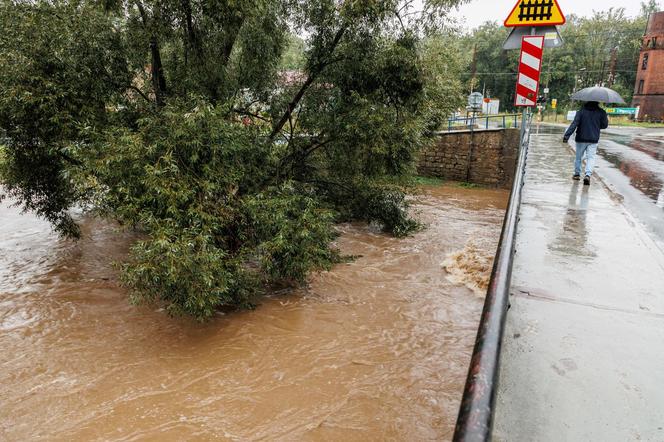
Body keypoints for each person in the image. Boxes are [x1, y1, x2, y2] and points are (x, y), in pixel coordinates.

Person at [563, 101, 609, 186]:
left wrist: (566, 136)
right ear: (597, 102)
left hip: (581, 138)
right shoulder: (601, 112)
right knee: (591, 158)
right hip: (593, 139)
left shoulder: (581, 112)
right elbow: (604, 125)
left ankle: (577, 174)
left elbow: (574, 124)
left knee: (578, 157)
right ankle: (587, 175)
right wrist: (597, 124)